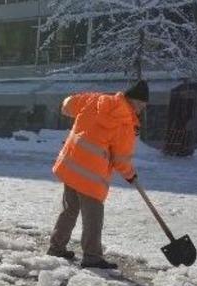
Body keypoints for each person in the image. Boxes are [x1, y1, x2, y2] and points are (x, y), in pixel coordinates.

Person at [47, 80, 147, 270]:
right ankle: (92, 257)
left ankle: (56, 247)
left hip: (71, 166)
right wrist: (130, 175)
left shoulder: (95, 99)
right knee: (93, 217)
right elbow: (121, 159)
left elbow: (67, 104)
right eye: (142, 104)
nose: (142, 109)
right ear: (134, 101)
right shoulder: (125, 121)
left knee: (69, 209)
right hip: (91, 176)